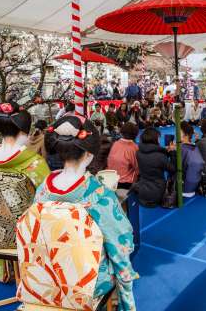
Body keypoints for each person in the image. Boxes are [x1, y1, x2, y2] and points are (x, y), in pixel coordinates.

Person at [38, 116, 138, 308]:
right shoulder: (99, 194)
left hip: (49, 275)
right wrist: (126, 281)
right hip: (88, 282)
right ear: (90, 153)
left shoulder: (43, 189)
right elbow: (121, 245)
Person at [0, 102, 50, 281]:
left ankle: (6, 270)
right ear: (23, 132)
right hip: (27, 236)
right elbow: (48, 201)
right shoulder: (34, 162)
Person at [134, 127, 176, 206]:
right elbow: (172, 169)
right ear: (155, 139)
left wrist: (165, 150)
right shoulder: (160, 157)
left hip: (142, 191)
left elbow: (151, 153)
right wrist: (172, 153)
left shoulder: (138, 152)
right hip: (157, 193)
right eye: (159, 138)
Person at [107, 123, 140, 190]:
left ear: (122, 132)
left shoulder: (115, 143)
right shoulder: (134, 148)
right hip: (126, 182)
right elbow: (137, 167)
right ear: (135, 135)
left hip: (112, 178)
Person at [180, 122, 204, 197]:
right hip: (195, 185)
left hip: (183, 188)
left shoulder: (182, 149)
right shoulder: (195, 147)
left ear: (185, 135)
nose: (176, 134)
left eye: (179, 132)